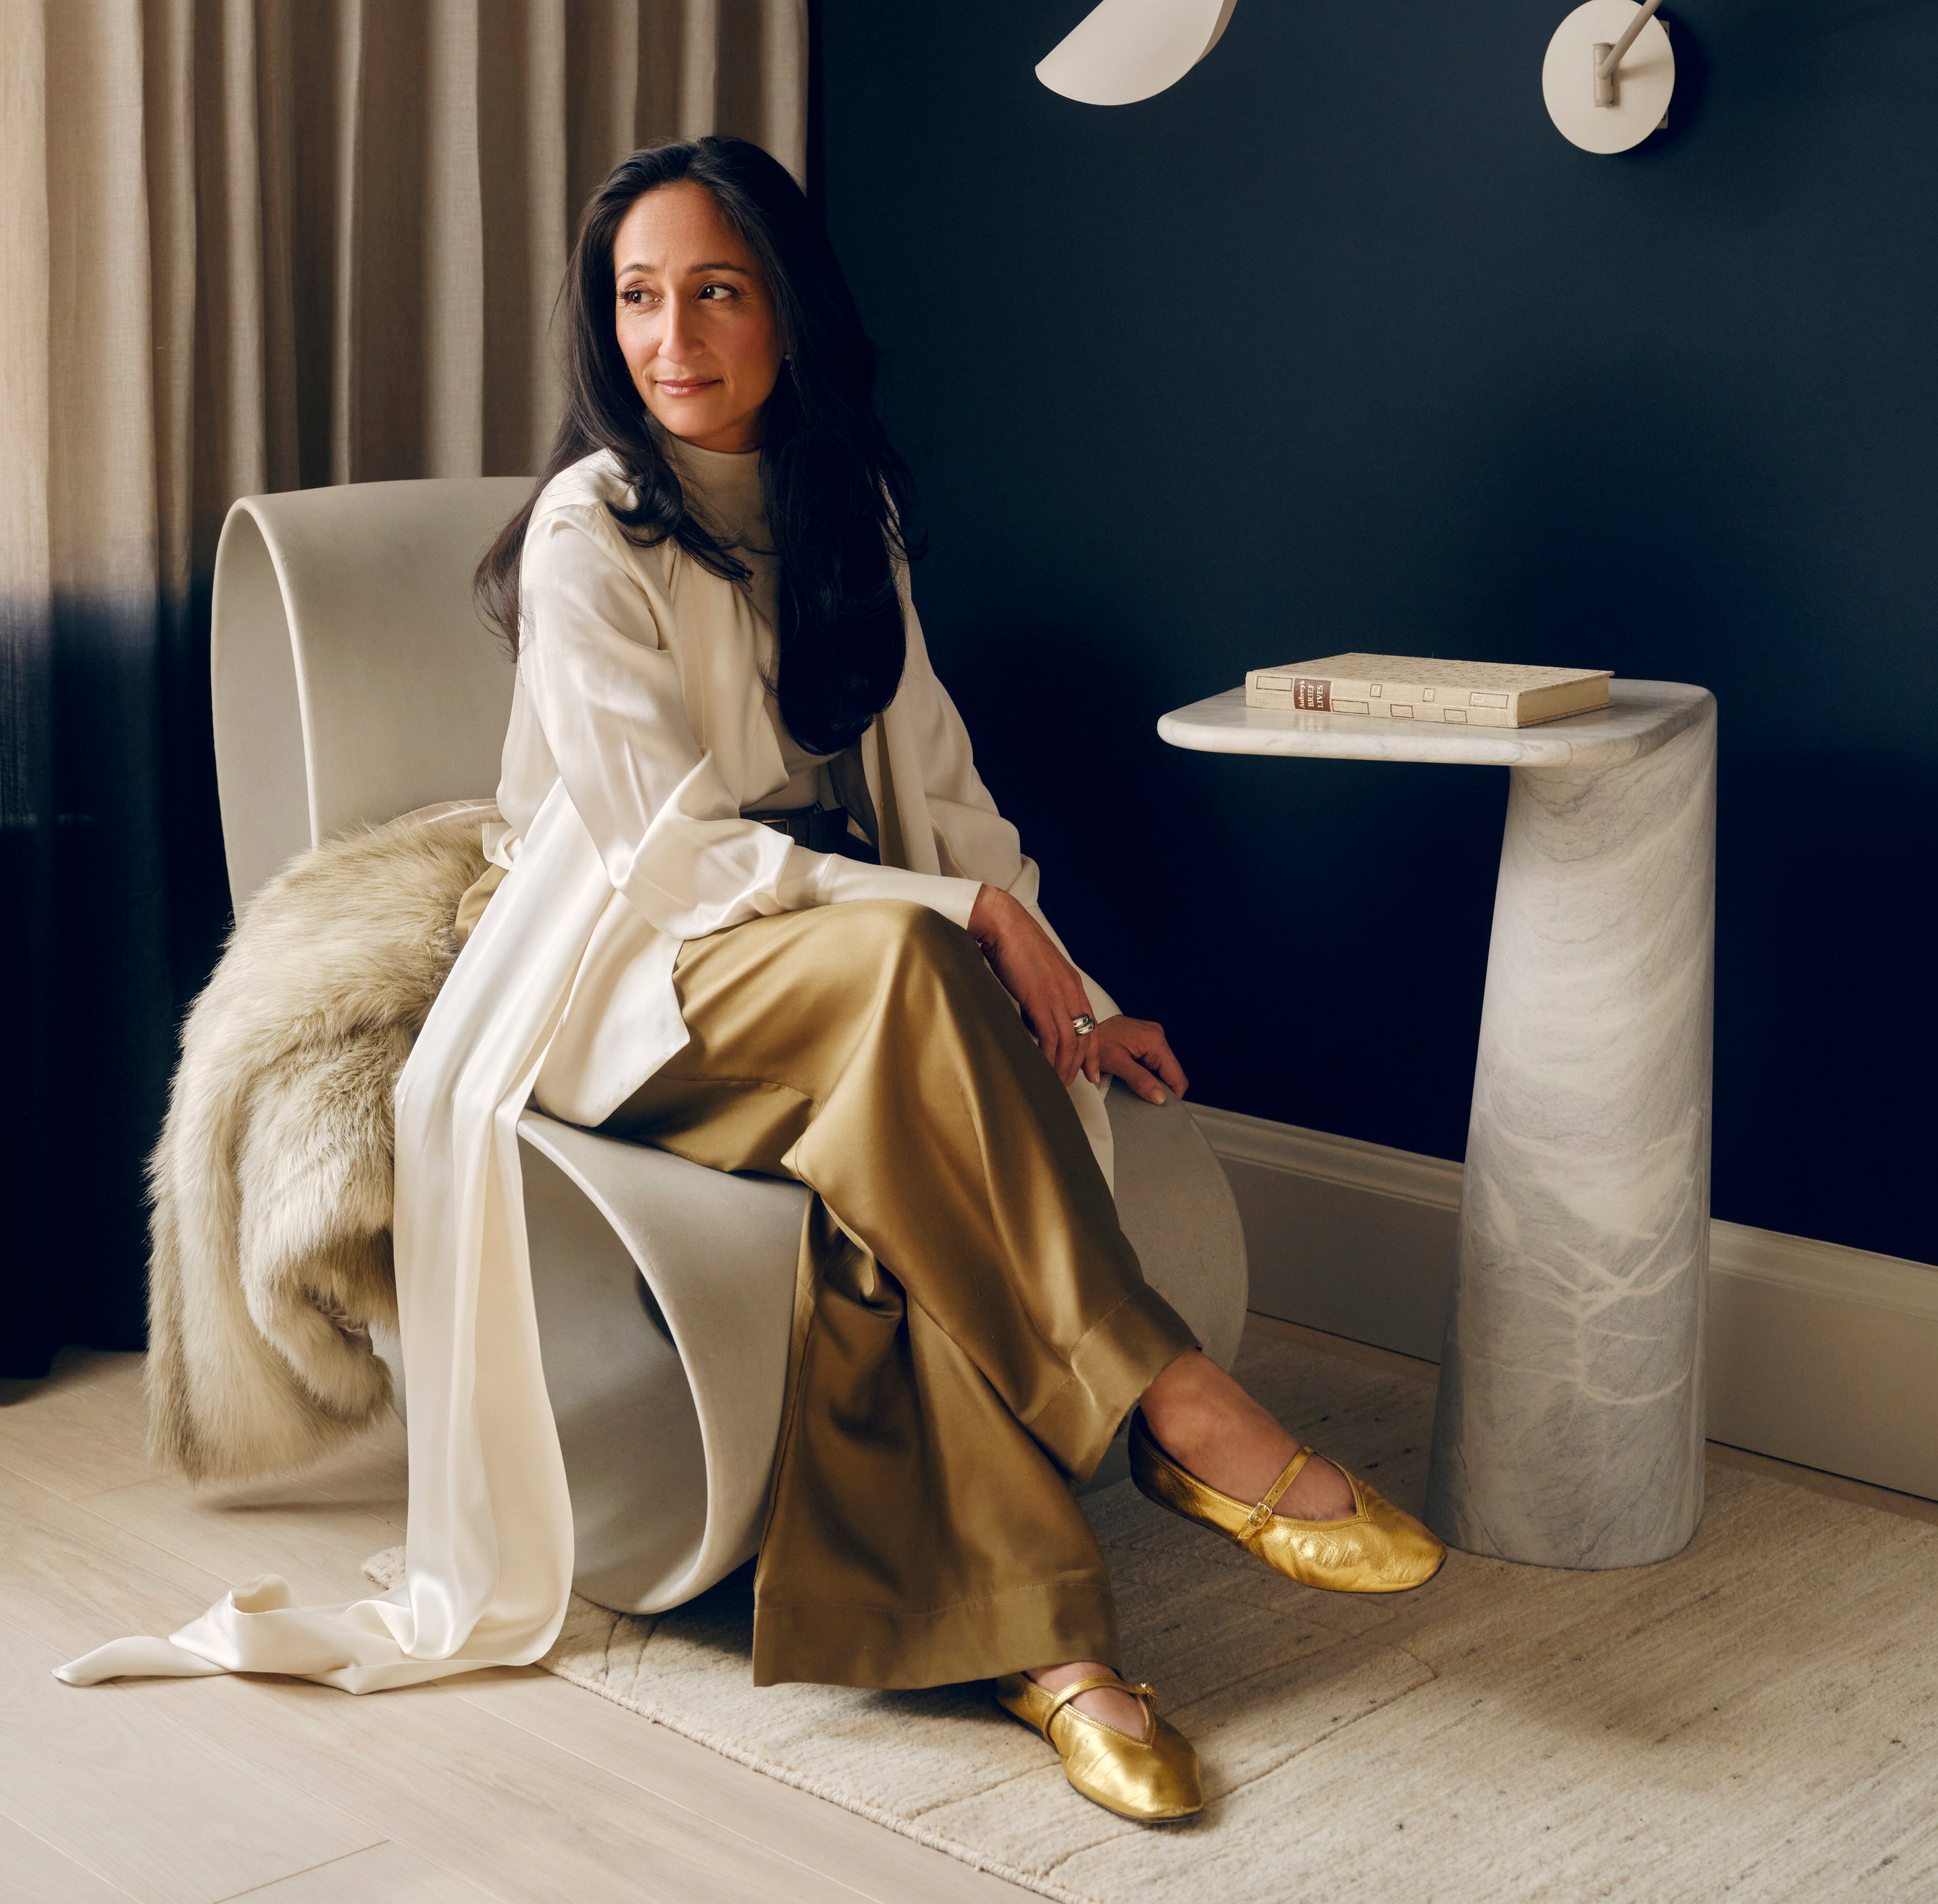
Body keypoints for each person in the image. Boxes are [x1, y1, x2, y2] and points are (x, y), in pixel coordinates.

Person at [62, 137, 1442, 1824]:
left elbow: (939, 783)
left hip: (838, 945)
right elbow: (667, 857)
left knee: (889, 1160)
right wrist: (951, 913)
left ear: (786, 308)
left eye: (713, 291)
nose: (670, 337)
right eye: (636, 298)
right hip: (616, 963)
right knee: (906, 970)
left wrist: (1057, 973)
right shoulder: (584, 530)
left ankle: (1046, 1647)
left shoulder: (840, 506)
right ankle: (1169, 1395)